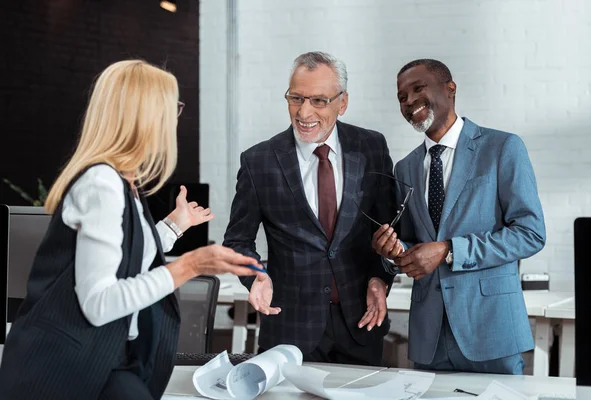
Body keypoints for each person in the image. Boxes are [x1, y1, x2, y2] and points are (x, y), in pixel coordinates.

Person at [0, 60, 262, 400]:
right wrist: (190, 266)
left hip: (102, 361)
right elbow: (100, 303)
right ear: (145, 115)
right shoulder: (102, 183)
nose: (176, 117)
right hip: (63, 371)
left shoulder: (122, 182)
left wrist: (172, 227)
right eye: (173, 108)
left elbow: (127, 261)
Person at [223, 51, 397, 366]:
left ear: (342, 103)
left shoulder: (371, 147)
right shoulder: (258, 161)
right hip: (290, 329)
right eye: (296, 98)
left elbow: (388, 230)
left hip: (361, 324)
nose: (304, 112)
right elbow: (238, 240)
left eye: (319, 100)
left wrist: (380, 277)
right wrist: (256, 276)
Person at [372, 59, 546, 374]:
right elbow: (414, 243)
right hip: (430, 336)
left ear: (450, 89)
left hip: (490, 328)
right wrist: (393, 253)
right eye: (401, 97)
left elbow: (530, 234)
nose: (409, 100)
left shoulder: (502, 147)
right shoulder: (405, 168)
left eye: (418, 88)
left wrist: (450, 250)